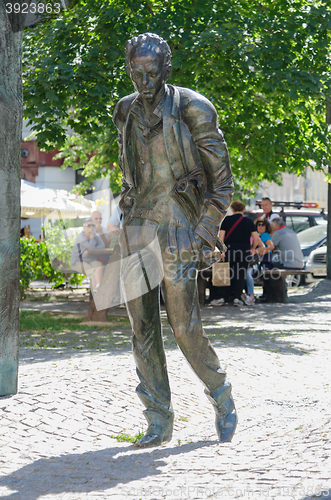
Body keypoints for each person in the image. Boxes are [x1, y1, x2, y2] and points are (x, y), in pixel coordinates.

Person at [113, 32, 237, 447]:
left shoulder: (192, 107)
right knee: (141, 328)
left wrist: (204, 233)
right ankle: (157, 419)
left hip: (179, 228)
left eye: (152, 72)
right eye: (136, 73)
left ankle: (220, 392)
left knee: (184, 328)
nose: (144, 81)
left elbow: (222, 184)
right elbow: (132, 174)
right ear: (129, 70)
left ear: (166, 68)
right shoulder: (125, 111)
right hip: (136, 230)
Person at [219, 200, 262, 306]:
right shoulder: (248, 221)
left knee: (226, 273)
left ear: (233, 209)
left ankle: (223, 296)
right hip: (244, 250)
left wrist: (221, 250)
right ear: (243, 210)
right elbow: (256, 238)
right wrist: (252, 248)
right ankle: (237, 297)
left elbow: (221, 237)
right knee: (240, 274)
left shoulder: (227, 220)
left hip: (229, 250)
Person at [245, 217, 275, 304]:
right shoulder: (257, 235)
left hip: (265, 261)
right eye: (259, 225)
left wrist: (258, 251)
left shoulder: (264, 235)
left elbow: (271, 246)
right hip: (260, 260)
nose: (261, 226)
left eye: (263, 225)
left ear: (266, 226)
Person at [70, 219, 104, 293]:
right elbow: (91, 247)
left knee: (99, 266)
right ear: (84, 227)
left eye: (93, 225)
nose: (91, 227)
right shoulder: (81, 237)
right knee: (93, 274)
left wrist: (91, 250)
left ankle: (98, 285)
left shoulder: (95, 235)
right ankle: (96, 298)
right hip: (78, 262)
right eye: (89, 225)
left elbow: (102, 246)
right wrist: (92, 238)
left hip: (90, 260)